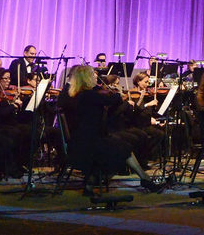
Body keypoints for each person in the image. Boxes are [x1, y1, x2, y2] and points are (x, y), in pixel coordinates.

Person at [61, 64, 161, 192]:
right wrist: (118, 94)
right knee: (124, 147)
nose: (96, 78)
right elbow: (112, 100)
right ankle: (143, 178)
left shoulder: (79, 94)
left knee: (120, 144)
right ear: (86, 79)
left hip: (81, 140)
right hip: (87, 143)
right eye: (92, 76)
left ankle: (92, 182)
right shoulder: (88, 95)